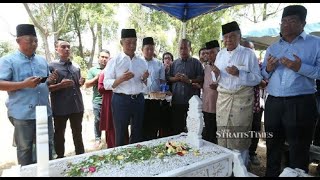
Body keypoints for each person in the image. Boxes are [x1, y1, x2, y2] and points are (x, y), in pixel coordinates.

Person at [261, 5, 320, 176]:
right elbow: (264, 73)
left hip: (300, 102)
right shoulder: (273, 48)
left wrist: (300, 67)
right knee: (272, 145)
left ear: (303, 23)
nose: (286, 25)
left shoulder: (315, 44)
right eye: (283, 21)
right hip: (274, 102)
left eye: (292, 21)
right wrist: (269, 68)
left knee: (298, 148)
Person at [0, 24, 58, 166]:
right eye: (29, 41)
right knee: (25, 149)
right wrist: (23, 84)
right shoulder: (8, 61)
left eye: (36, 41)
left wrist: (50, 80)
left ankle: (46, 173)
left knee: (46, 146)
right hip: (23, 114)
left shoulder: (42, 60)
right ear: (18, 41)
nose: (34, 44)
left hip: (44, 111)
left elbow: (45, 83)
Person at [214, 21, 262, 167]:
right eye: (226, 37)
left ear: (239, 37)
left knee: (239, 138)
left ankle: (241, 169)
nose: (228, 40)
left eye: (232, 36)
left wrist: (239, 73)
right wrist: (215, 74)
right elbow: (216, 78)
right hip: (223, 99)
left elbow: (257, 78)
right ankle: (225, 168)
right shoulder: (220, 55)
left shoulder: (248, 54)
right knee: (223, 135)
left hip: (241, 101)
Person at [103, 29, 149, 146]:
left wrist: (144, 79)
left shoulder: (142, 62)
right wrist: (120, 79)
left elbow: (145, 84)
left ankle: (136, 157)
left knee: (137, 131)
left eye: (134, 42)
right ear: (121, 43)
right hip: (120, 100)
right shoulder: (114, 61)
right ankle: (120, 158)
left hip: (138, 99)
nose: (132, 45)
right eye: (128, 42)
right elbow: (106, 84)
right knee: (121, 132)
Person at [48, 38, 86, 158]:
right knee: (59, 135)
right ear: (56, 49)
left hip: (77, 107)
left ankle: (81, 157)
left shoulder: (76, 66)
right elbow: (47, 88)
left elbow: (77, 84)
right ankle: (60, 158)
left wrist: (81, 82)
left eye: (68, 46)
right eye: (63, 47)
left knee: (78, 134)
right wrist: (60, 85)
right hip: (60, 108)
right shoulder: (51, 66)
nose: (67, 49)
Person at [167, 39, 204, 135]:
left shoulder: (196, 63)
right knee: (177, 128)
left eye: (185, 48)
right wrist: (175, 78)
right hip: (177, 101)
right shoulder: (174, 64)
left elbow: (201, 79)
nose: (183, 51)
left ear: (190, 49)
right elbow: (168, 78)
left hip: (192, 102)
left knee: (192, 129)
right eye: (181, 48)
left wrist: (189, 80)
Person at [241, 40, 267, 166]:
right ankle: (241, 155)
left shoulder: (260, 65)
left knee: (255, 129)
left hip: (256, 104)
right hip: (240, 105)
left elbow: (264, 83)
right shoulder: (238, 64)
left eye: (250, 49)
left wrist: (254, 78)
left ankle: (252, 153)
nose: (248, 52)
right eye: (245, 49)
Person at [84, 49, 109, 149]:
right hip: (98, 100)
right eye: (102, 57)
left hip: (109, 100)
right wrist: (97, 78)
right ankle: (98, 139)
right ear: (98, 58)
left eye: (106, 57)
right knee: (98, 120)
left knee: (109, 120)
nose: (104, 59)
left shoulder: (112, 68)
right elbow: (86, 84)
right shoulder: (93, 70)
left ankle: (109, 139)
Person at [201, 40, 220, 144]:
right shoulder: (206, 67)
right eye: (207, 53)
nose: (209, 55)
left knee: (215, 135)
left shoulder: (223, 66)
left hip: (219, 107)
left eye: (212, 52)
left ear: (219, 52)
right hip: (206, 105)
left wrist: (218, 86)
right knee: (207, 133)